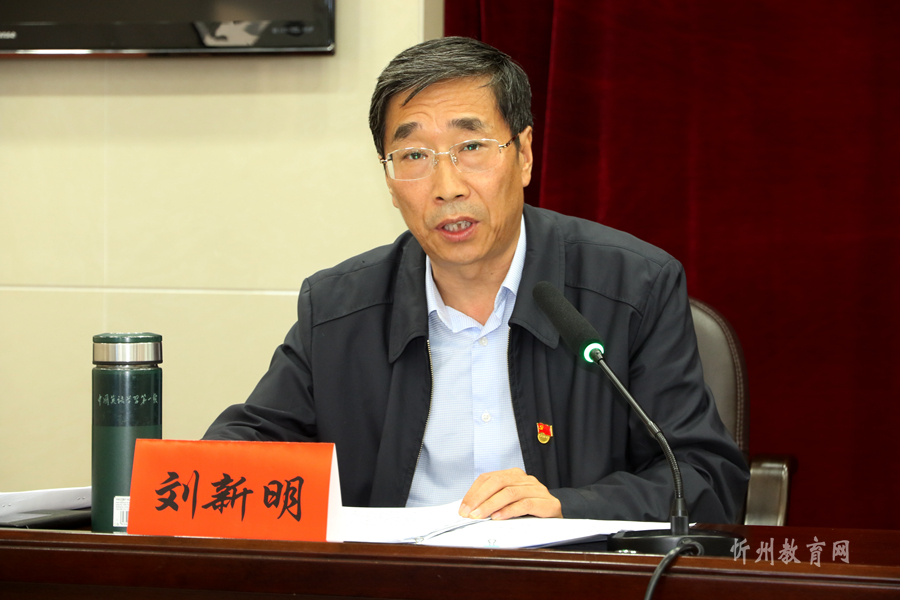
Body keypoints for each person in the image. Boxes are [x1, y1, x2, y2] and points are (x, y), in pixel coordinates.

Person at [204, 37, 749, 523]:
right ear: (389, 181)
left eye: (471, 148)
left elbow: (707, 480)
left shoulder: (633, 287)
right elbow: (243, 451)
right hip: (391, 582)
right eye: (414, 155)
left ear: (525, 155)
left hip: (564, 579)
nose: (447, 186)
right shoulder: (337, 309)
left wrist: (569, 507)